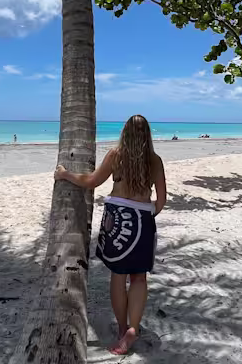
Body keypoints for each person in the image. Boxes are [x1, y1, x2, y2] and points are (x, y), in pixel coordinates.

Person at [55, 115, 166, 355]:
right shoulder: (155, 160)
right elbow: (162, 199)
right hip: (143, 220)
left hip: (118, 219)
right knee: (139, 278)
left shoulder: (116, 155)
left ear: (124, 132)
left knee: (118, 276)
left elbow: (91, 181)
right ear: (147, 134)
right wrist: (144, 216)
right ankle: (133, 329)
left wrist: (65, 175)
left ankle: (122, 328)